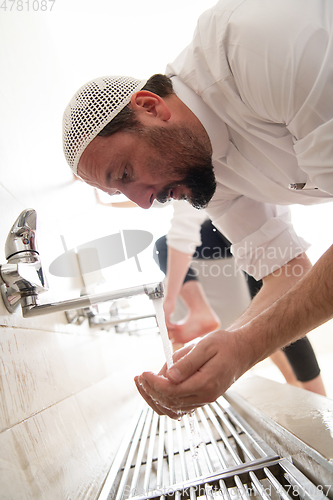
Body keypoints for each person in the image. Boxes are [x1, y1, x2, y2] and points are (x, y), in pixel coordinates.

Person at [62, 0, 333, 418]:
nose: (143, 202)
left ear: (150, 107)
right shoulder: (203, 170)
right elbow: (287, 271)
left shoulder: (252, 48)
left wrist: (245, 347)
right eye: (122, 195)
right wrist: (222, 348)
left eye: (126, 173)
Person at [153, 200, 325, 394]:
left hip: (246, 228)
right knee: (267, 313)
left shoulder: (200, 187)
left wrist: (168, 303)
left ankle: (314, 391)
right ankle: (305, 387)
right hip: (234, 234)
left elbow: (183, 231)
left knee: (278, 308)